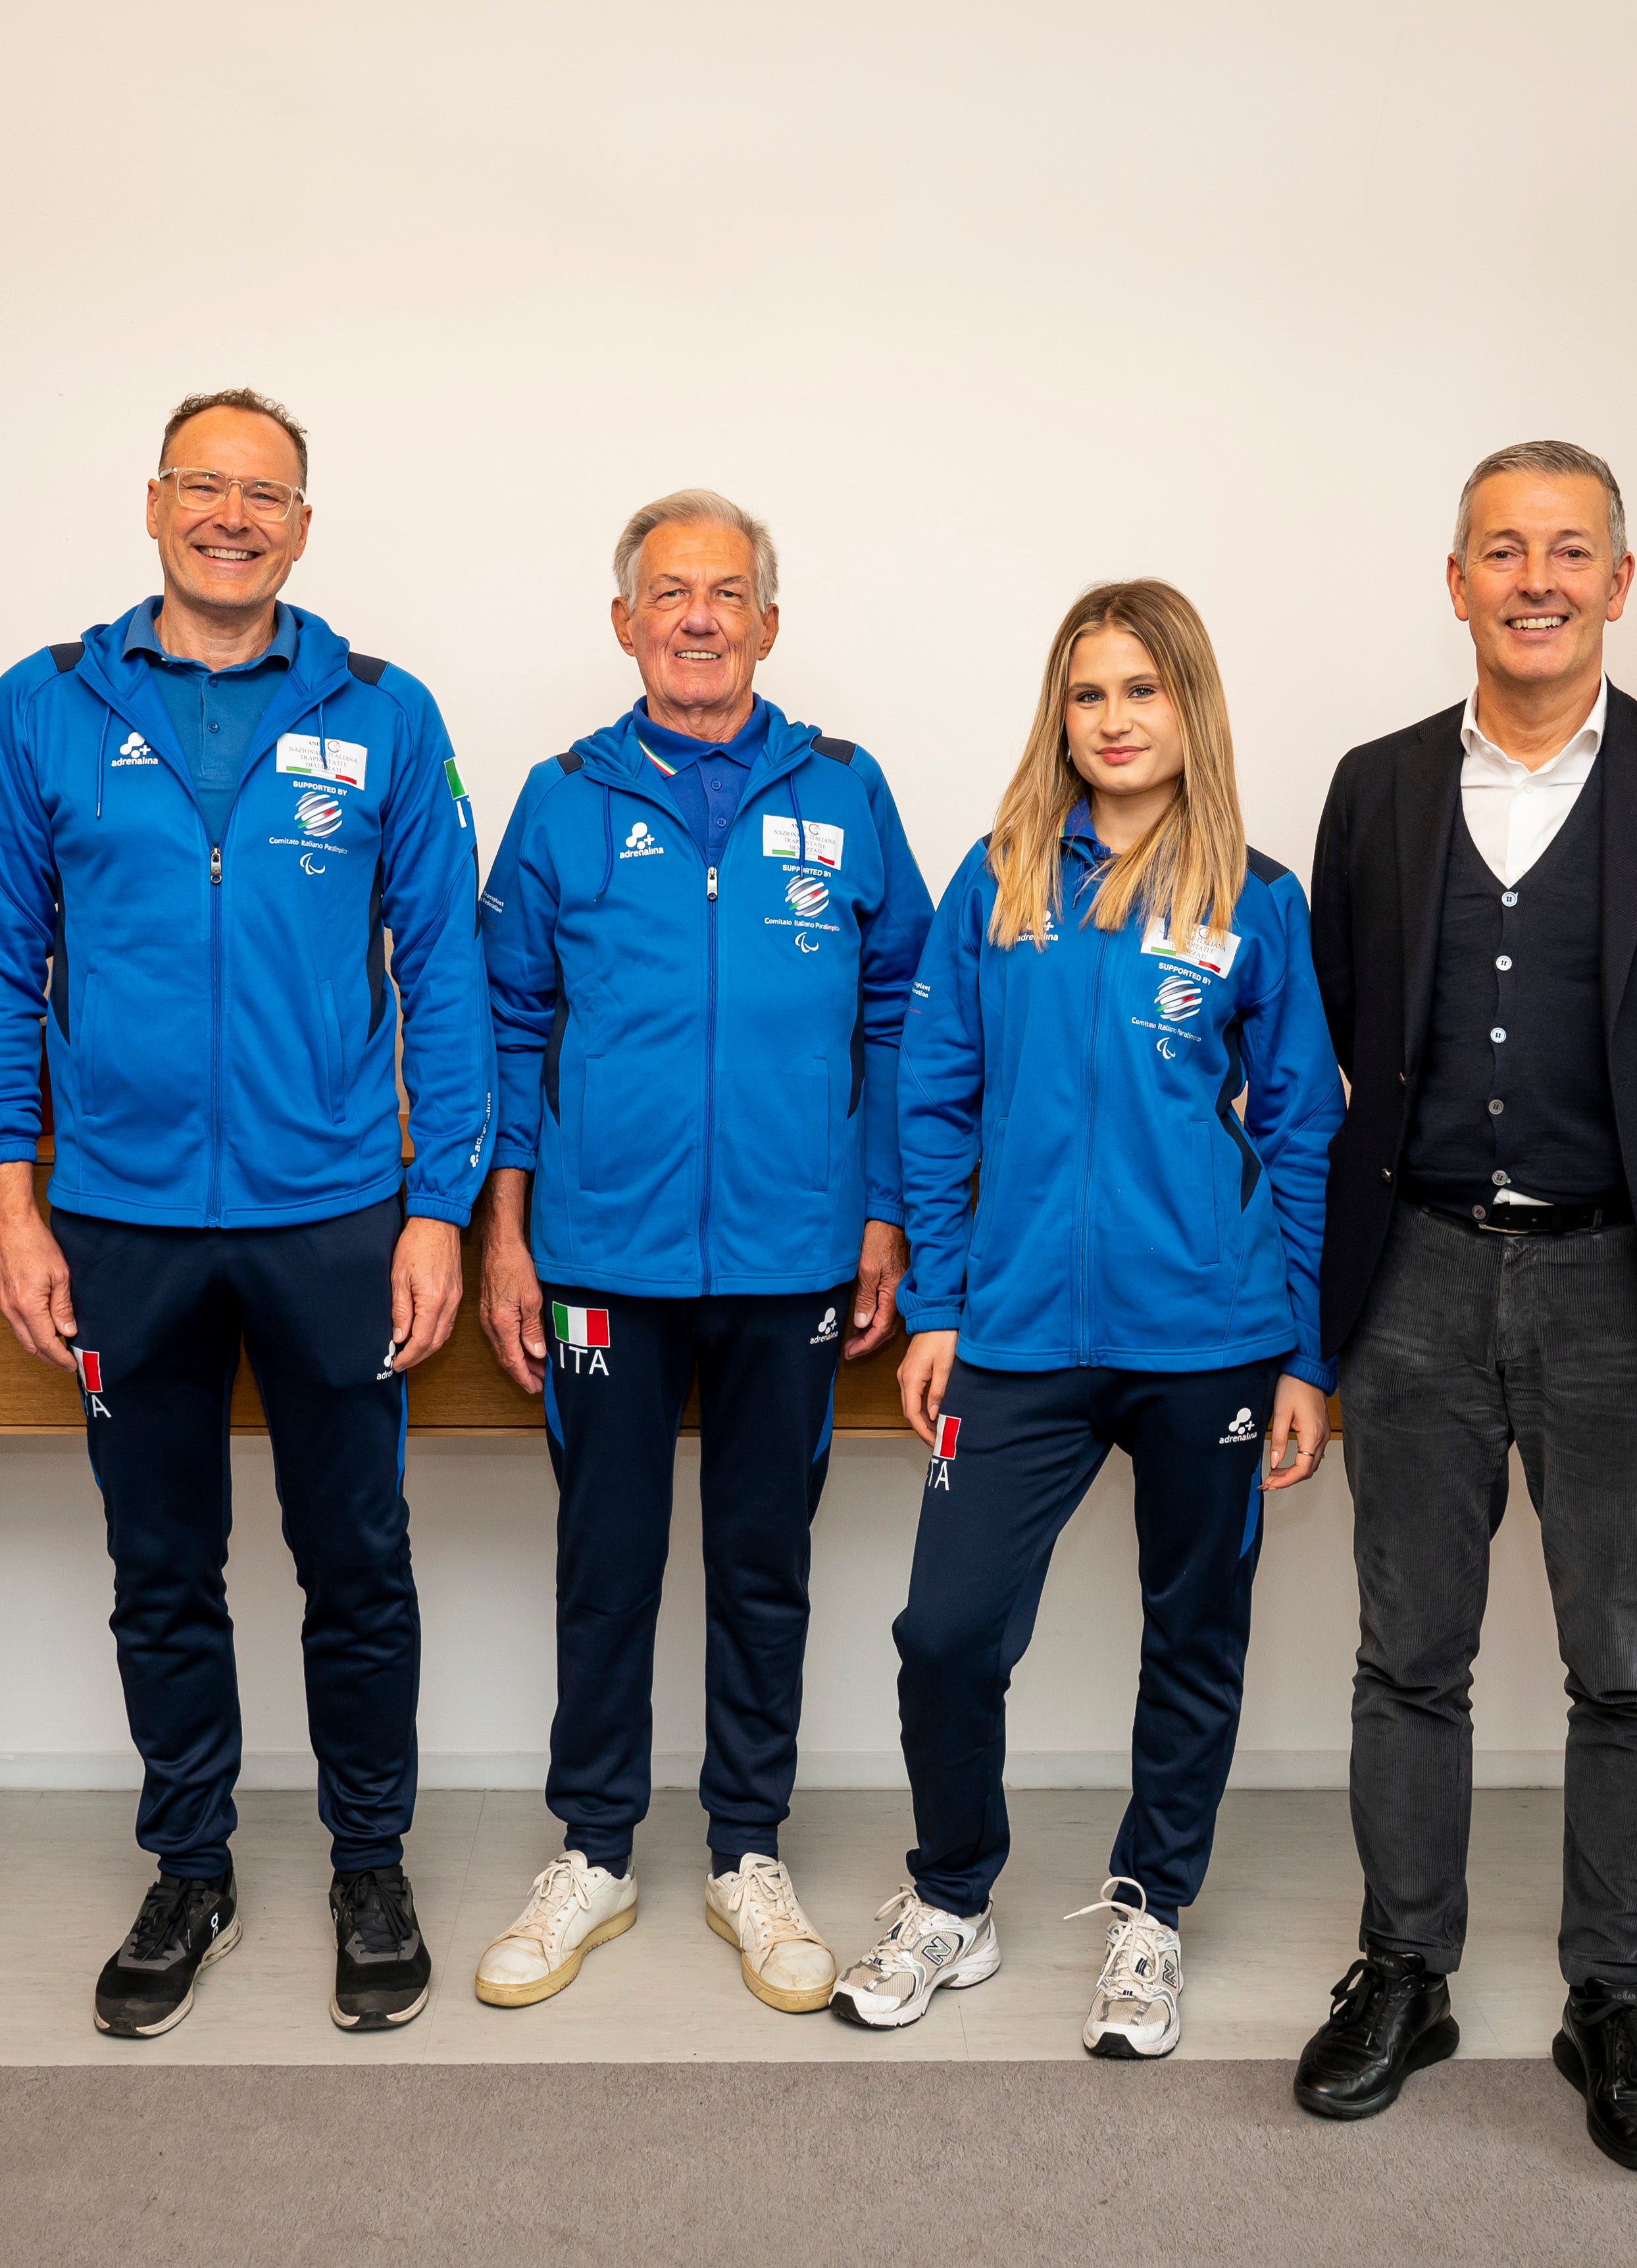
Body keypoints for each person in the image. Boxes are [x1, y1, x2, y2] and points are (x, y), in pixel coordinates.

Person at [1294, 441, 1637, 2172]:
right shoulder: (1371, 791)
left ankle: (1609, 1998)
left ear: (1616, 581)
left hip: (1621, 1281)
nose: (1534, 578)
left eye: (1568, 551)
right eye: (1500, 550)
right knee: (1406, 1658)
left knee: (1628, 1667)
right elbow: (1342, 1021)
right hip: (1417, 1276)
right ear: (1452, 582)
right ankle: (1406, 1970)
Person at [0, 387, 489, 2037]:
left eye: (268, 492)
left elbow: (447, 973)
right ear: (157, 502)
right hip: (116, 1219)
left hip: (335, 1215)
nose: (234, 514)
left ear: (304, 525)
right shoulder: (44, 707)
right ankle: (189, 1861)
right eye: (206, 484)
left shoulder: (385, 713)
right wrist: (10, 1204)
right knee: (160, 1564)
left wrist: (440, 1206)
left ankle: (368, 1860)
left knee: (360, 1561)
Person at [830, 578, 1341, 2057]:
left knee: (1194, 1629)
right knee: (945, 1629)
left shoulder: (1256, 895)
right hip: (1020, 1333)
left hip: (1211, 1335)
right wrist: (937, 1303)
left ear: (1191, 708)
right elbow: (933, 1100)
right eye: (1087, 692)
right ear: (1060, 713)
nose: (1113, 720)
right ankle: (952, 1898)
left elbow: (1302, 1124)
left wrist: (1305, 1348)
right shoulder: (996, 883)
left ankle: (1150, 1913)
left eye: (1142, 690)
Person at [470, 491, 934, 2013]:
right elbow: (509, 1023)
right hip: (602, 1254)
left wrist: (880, 1213)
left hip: (795, 1256)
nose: (698, 617)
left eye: (727, 592)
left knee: (763, 1564)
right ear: (624, 622)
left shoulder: (849, 792)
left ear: (770, 623)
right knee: (604, 1566)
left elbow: (903, 1014)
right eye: (669, 592)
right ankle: (593, 1850)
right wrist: (508, 1229)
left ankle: (748, 1847)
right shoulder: (561, 799)